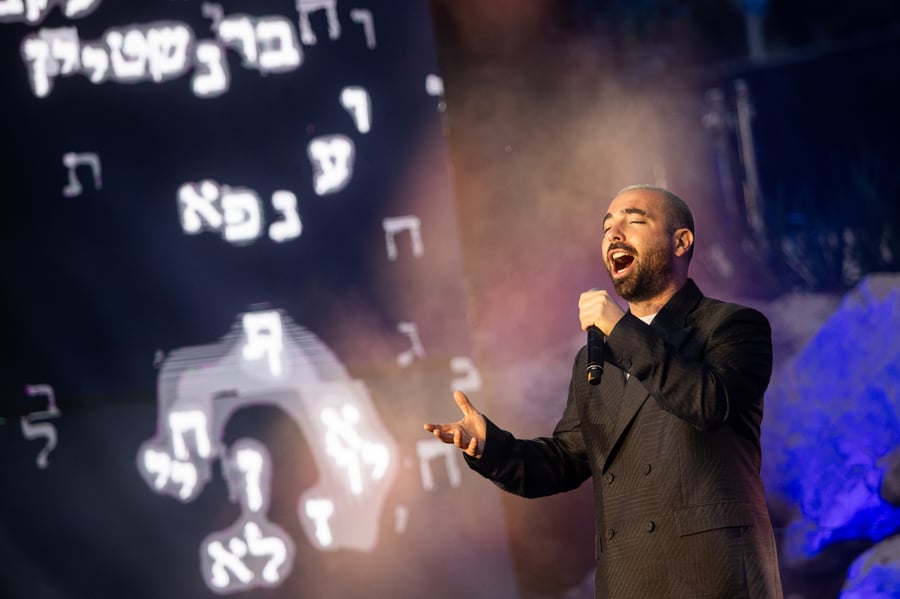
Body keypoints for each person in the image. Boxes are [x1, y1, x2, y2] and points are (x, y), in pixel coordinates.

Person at [424, 185, 783, 598]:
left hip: (714, 578)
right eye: (607, 226)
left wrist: (622, 331)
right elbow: (565, 460)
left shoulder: (732, 326)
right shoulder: (596, 359)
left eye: (633, 220)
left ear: (681, 241)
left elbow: (709, 402)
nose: (615, 234)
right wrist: (491, 447)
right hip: (629, 581)